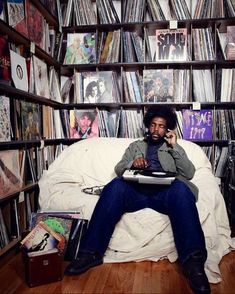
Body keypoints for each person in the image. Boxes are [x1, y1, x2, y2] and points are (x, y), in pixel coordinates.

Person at [65, 106, 210, 294]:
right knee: (114, 186)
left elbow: (189, 173)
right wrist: (131, 164)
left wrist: (175, 146)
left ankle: (193, 263)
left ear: (167, 129)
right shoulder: (136, 146)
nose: (156, 129)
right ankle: (90, 253)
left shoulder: (172, 146)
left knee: (181, 190)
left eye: (161, 126)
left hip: (165, 192)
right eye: (153, 125)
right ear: (148, 126)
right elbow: (119, 168)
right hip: (137, 191)